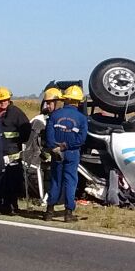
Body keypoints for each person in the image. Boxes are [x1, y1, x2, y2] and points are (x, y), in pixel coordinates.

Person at [45, 84, 89, 222]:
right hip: (72, 153)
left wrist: (55, 148)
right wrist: (67, 146)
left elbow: (49, 137)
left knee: (55, 181)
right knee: (70, 181)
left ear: (66, 99)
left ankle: (49, 212)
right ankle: (68, 213)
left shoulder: (55, 115)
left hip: (56, 153)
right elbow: (81, 139)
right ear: (78, 101)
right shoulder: (81, 118)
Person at [0, 86, 31, 214]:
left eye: (5, 100)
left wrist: (18, 142)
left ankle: (12, 206)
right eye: (0, 101)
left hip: (12, 152)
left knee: (12, 181)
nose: (3, 103)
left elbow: (26, 130)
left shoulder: (16, 113)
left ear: (9, 100)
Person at [24, 87, 63, 211]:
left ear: (58, 103)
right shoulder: (40, 120)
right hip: (44, 155)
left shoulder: (61, 118)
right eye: (47, 103)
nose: (48, 106)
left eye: (50, 103)